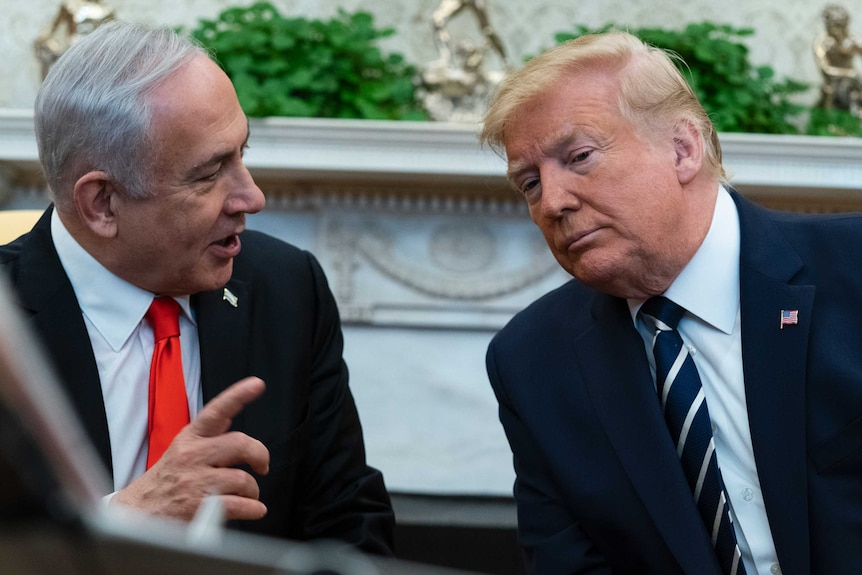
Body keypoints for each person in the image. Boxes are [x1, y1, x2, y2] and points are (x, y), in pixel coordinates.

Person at [1, 19, 394, 554]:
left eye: (242, 155)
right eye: (209, 174)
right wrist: (124, 518)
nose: (251, 198)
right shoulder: (7, 328)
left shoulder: (286, 290)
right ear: (102, 204)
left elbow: (349, 524)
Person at [481, 31, 862, 574]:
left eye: (580, 156)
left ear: (683, 149)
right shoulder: (533, 359)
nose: (553, 202)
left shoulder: (853, 268)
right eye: (529, 183)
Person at [813, 3, 862, 114]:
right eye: (835, 25)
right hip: (833, 82)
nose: (839, 30)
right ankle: (829, 123)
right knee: (831, 91)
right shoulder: (821, 42)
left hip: (854, 82)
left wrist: (854, 47)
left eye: (842, 25)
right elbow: (825, 69)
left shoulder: (851, 39)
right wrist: (850, 74)